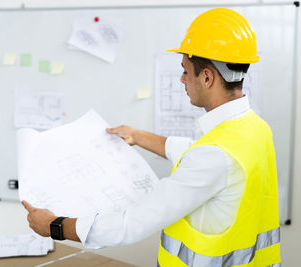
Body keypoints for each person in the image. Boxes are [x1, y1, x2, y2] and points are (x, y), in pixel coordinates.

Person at [22, 8, 281, 266]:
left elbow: (130, 224)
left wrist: (54, 226)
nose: (181, 79)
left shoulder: (214, 156)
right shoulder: (255, 128)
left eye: (185, 71)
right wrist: (139, 136)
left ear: (207, 76)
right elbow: (200, 155)